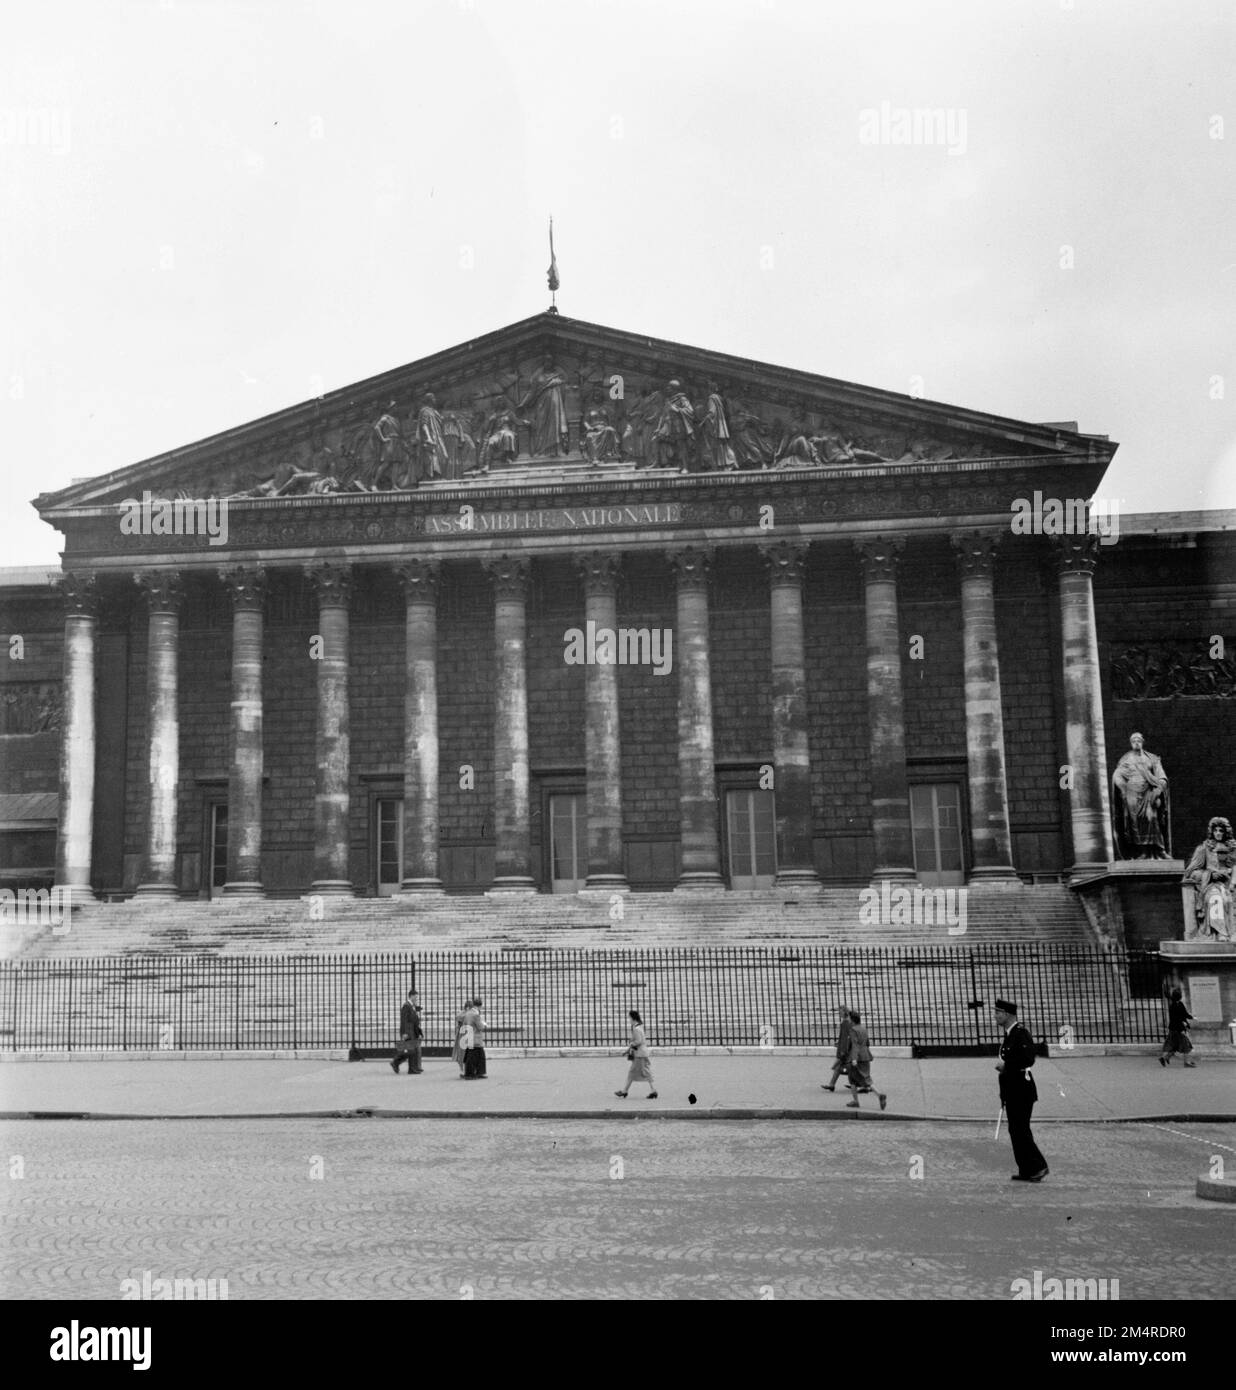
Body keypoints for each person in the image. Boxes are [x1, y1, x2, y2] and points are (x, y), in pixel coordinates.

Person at [994, 998, 1048, 1182]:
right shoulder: (1010, 1034)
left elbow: (1028, 1059)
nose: (995, 1016)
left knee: (1021, 1130)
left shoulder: (1020, 1033)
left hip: (1021, 1090)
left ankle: (1038, 1166)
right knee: (1015, 1130)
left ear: (1008, 1014)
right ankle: (1027, 1169)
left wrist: (1006, 1066)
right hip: (1013, 1090)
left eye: (998, 1012)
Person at [1111, 732, 1171, 859]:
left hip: (1149, 793)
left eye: (1138, 740)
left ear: (1142, 742)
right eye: (1133, 741)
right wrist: (1123, 789)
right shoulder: (1126, 759)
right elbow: (1117, 774)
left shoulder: (1152, 759)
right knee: (1136, 823)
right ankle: (1143, 851)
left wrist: (1159, 789)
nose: (1136, 742)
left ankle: (1160, 850)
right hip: (1132, 794)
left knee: (1152, 819)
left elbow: (1162, 776)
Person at [1182, 816, 1236, 940]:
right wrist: (1210, 875)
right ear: (1211, 832)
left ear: (1226, 832)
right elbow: (1191, 872)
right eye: (1215, 830)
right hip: (1211, 885)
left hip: (1230, 884)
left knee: (1227, 899)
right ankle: (1220, 932)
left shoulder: (1233, 849)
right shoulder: (1204, 849)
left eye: (1221, 830)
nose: (1218, 833)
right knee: (1216, 898)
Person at [843, 1010, 887, 1110]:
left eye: (849, 1018)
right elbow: (867, 1042)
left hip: (857, 1057)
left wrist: (854, 1058)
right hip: (865, 1055)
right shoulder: (863, 1028)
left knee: (864, 1080)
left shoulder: (853, 1030)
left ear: (852, 1019)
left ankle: (879, 1095)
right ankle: (855, 1101)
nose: (848, 1019)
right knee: (854, 1079)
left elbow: (855, 1045)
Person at [615, 1009, 657, 1099]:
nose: (629, 1020)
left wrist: (631, 1044)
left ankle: (624, 1091)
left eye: (629, 1018)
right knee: (644, 1072)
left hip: (639, 1054)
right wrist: (628, 1050)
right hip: (642, 1053)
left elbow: (639, 1041)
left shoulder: (636, 1029)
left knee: (633, 1072)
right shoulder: (640, 1027)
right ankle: (653, 1091)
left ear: (633, 1018)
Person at [1160, 987, 1196, 1067]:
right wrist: (1182, 1029)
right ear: (1179, 996)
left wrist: (1192, 1017)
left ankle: (1164, 1058)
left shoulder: (1177, 1004)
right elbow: (1177, 1019)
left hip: (1175, 1028)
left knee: (1175, 1045)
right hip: (1177, 1029)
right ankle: (1186, 1063)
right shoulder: (1175, 1006)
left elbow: (1184, 1014)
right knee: (1186, 1045)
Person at [821, 1004, 853, 1092]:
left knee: (844, 1067)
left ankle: (857, 1084)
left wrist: (842, 1048)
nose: (839, 1013)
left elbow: (846, 1037)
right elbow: (845, 1036)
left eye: (840, 1012)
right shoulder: (847, 1021)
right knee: (840, 1067)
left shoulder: (846, 1022)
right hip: (846, 1048)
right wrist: (839, 1042)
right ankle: (832, 1084)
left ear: (844, 1012)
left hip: (846, 1049)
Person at [390, 989, 423, 1075]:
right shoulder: (406, 1006)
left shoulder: (411, 1006)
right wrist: (404, 1033)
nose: (416, 999)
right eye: (415, 997)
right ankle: (396, 1062)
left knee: (412, 1050)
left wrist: (418, 1031)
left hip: (412, 1030)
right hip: (408, 1031)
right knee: (410, 1050)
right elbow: (403, 1020)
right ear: (411, 996)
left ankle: (413, 1068)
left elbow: (414, 1020)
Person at [463, 997, 488, 1079]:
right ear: (479, 1006)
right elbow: (480, 1027)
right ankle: (472, 1073)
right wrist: (484, 1024)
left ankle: (475, 1072)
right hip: (475, 1037)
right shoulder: (476, 1015)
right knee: (477, 1056)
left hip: (469, 1035)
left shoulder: (468, 1013)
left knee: (473, 1056)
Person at [452, 997, 473, 1078]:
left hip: (467, 1035)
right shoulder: (463, 1014)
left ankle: (466, 1070)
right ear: (467, 1007)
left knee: (467, 1053)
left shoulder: (466, 1014)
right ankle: (463, 1070)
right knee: (462, 1054)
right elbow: (459, 1018)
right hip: (463, 1036)